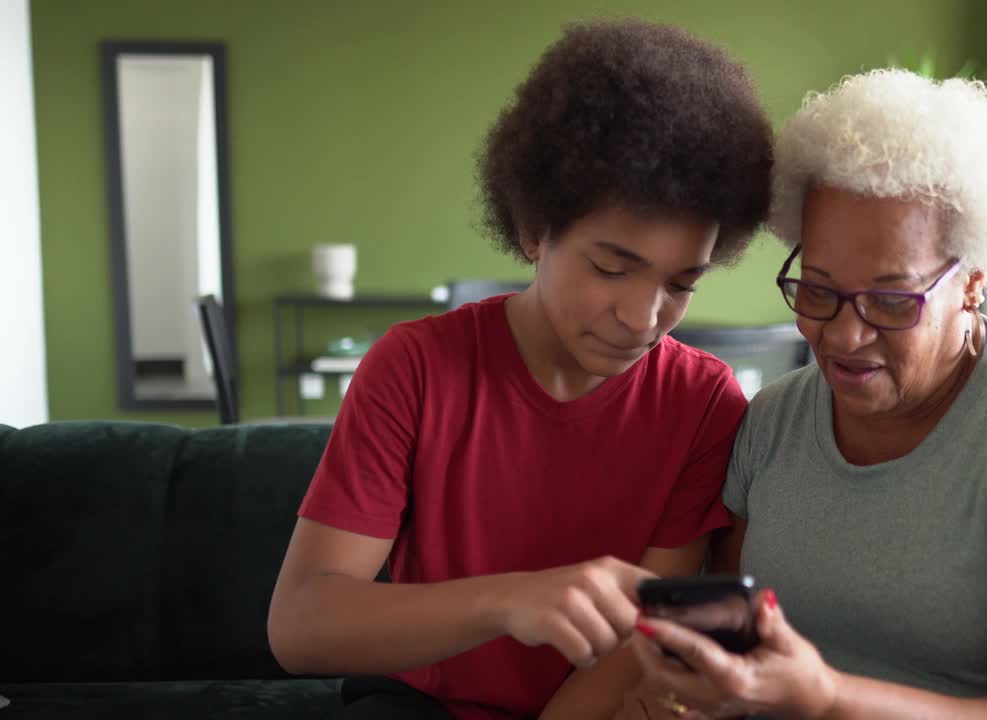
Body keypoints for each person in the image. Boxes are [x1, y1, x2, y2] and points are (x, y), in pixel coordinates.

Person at [623, 69, 987, 720]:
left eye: (890, 300)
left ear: (972, 281)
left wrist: (826, 698)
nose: (846, 335)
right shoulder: (773, 422)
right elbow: (739, 643)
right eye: (819, 290)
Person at [265, 18, 774, 720]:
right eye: (610, 267)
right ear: (534, 228)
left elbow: (640, 643)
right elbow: (299, 627)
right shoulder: (414, 367)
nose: (642, 316)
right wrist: (509, 600)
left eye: (681, 283)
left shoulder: (703, 401)